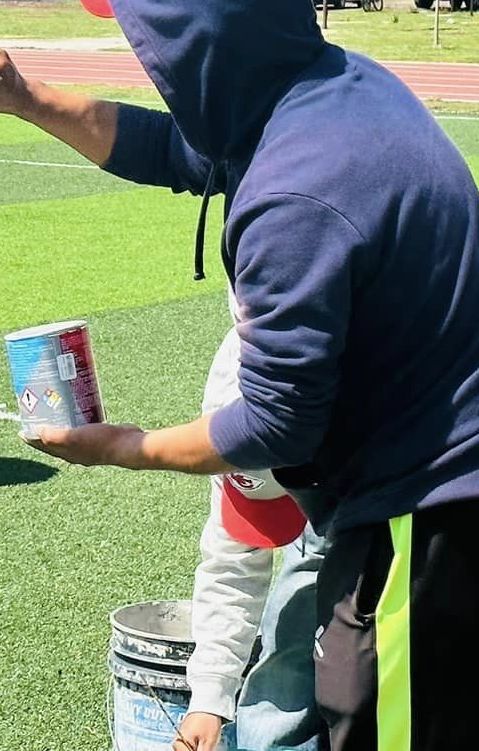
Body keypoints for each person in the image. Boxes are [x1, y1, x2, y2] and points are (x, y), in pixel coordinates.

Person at [0, 0, 479, 751]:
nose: (143, 58)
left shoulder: (295, 196)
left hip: (440, 528)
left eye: (149, 38)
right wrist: (26, 97)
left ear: (203, 44)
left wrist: (124, 447)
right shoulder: (335, 87)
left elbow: (278, 422)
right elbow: (169, 149)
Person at [180, 320, 325, 751]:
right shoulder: (227, 413)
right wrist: (209, 697)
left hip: (443, 482)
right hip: (324, 473)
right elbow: (231, 565)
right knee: (295, 634)